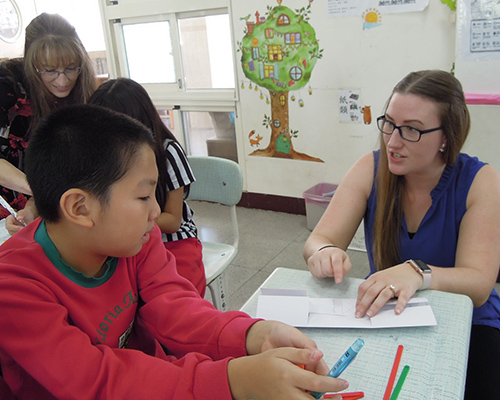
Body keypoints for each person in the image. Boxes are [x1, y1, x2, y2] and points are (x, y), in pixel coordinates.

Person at [0, 104, 349, 400]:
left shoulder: (133, 239)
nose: (156, 212)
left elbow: (176, 307)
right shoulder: (14, 286)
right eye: (142, 197)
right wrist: (233, 379)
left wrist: (252, 335)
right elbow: (96, 381)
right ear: (79, 208)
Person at [303, 69, 500, 398]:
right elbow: (317, 240)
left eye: (412, 130)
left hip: (470, 322)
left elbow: (479, 285)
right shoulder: (371, 167)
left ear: (446, 137)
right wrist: (324, 253)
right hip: (389, 313)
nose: (393, 141)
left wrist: (418, 273)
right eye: (390, 124)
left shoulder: (481, 180)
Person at [88, 78, 206, 297]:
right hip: (129, 241)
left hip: (173, 243)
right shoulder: (107, 158)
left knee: (176, 302)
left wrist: (125, 218)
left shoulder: (167, 153)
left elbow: (172, 221)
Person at [0, 13, 97, 225]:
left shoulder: (85, 92)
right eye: (50, 71)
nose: (62, 80)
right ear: (33, 65)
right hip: (10, 202)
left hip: (50, 202)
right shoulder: (7, 84)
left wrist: (35, 204)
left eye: (71, 68)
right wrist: (38, 190)